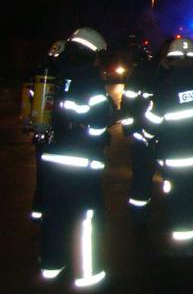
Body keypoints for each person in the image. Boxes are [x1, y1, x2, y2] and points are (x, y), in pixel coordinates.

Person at [39, 28, 112, 287]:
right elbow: (99, 124)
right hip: (82, 162)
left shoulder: (54, 72)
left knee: (54, 214)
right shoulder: (89, 80)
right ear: (91, 52)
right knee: (86, 220)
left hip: (51, 158)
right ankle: (87, 275)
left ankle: (50, 266)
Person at [144, 37, 193, 256]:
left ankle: (184, 248)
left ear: (171, 59)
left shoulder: (164, 88)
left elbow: (152, 125)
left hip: (176, 160)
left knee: (179, 202)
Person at [119, 38, 172, 225]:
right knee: (142, 179)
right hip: (143, 138)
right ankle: (139, 220)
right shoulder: (142, 72)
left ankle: (170, 215)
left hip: (168, 139)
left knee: (172, 178)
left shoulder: (176, 75)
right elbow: (127, 103)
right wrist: (132, 130)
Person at [30, 40, 66, 222]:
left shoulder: (38, 71)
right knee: (53, 175)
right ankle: (52, 212)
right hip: (55, 133)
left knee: (41, 175)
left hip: (40, 132)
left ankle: (38, 212)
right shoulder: (61, 73)